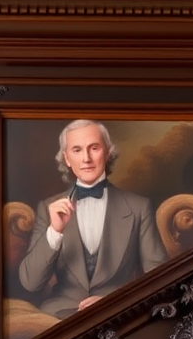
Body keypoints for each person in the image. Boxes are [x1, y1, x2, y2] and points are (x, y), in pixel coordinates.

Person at [18, 119, 168, 318]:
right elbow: (30, 282)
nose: (86, 158)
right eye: (77, 150)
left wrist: (116, 302)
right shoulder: (48, 208)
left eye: (94, 148)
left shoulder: (139, 207)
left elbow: (161, 279)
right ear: (67, 158)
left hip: (120, 315)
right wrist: (54, 232)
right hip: (58, 319)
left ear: (107, 152)